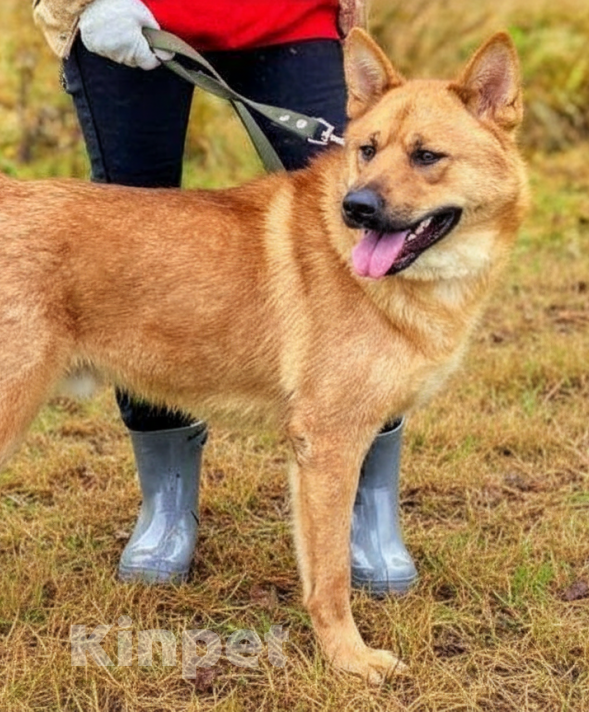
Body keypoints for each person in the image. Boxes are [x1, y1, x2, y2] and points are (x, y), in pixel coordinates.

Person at [31, 0, 417, 596]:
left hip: (291, 15)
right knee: (138, 270)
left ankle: (367, 501)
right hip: (129, 12)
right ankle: (167, 503)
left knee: (373, 214)